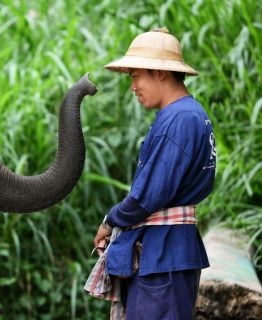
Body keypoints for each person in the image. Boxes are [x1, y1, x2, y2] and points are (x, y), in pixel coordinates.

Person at [89, 28, 216, 319]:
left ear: (160, 73)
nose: (132, 86)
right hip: (169, 250)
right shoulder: (191, 115)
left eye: (135, 76)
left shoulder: (179, 118)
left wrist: (111, 221)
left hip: (163, 257)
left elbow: (148, 195)